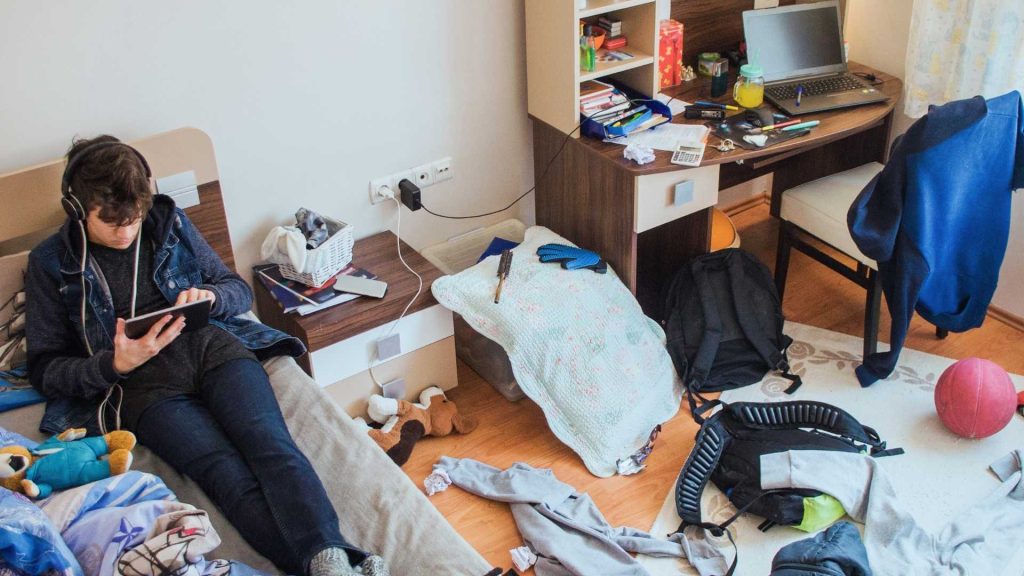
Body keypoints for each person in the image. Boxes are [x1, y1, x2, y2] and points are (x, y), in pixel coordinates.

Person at [24, 135, 388, 576]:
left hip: (212, 349)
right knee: (225, 475)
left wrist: (210, 297)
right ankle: (336, 563)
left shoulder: (167, 221)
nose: (125, 231)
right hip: (142, 387)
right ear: (78, 209)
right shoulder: (50, 263)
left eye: (133, 219)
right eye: (112, 222)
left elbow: (234, 288)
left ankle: (328, 560)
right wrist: (113, 364)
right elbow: (45, 369)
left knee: (271, 447)